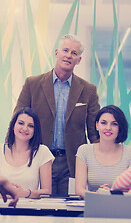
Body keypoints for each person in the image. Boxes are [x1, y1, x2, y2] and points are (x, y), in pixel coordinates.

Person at [14, 34, 100, 196]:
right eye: (65, 50)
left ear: (79, 60)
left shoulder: (88, 90)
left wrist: (101, 163)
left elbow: (95, 133)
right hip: (37, 157)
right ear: (56, 52)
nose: (68, 55)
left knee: (68, 211)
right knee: (40, 210)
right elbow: (16, 121)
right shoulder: (32, 84)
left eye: (74, 53)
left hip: (73, 163)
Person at [0, 107, 54, 198]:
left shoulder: (42, 152)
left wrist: (25, 193)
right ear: (13, 125)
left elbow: (47, 192)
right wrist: (1, 194)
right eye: (21, 123)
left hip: (29, 209)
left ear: (35, 130)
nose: (25, 128)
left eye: (31, 126)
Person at [75, 105, 131, 198]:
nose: (108, 128)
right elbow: (79, 190)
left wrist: (113, 194)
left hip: (121, 208)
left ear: (120, 127)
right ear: (97, 125)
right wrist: (97, 195)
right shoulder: (84, 151)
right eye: (104, 123)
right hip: (93, 207)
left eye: (114, 124)